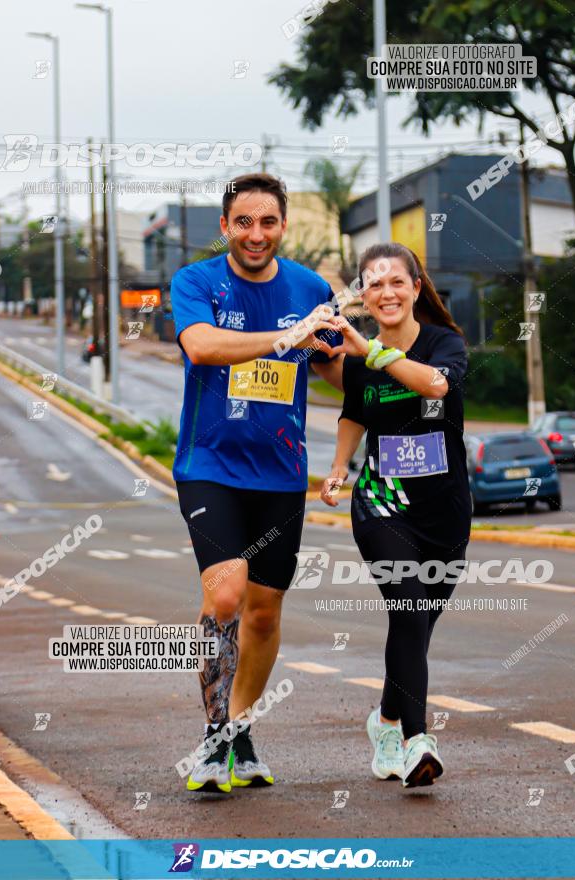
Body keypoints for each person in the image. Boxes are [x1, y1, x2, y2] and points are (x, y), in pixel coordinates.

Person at [171, 173, 343, 793]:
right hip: (210, 467)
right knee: (225, 598)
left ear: (283, 227)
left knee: (265, 615)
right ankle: (214, 743)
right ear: (225, 227)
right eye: (243, 222)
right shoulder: (195, 282)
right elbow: (202, 346)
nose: (255, 234)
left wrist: (357, 348)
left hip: (281, 475)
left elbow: (334, 375)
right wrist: (283, 337)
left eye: (267, 222)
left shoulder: (311, 286)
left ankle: (240, 728)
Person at [321, 242, 471, 789]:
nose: (385, 292)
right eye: (373, 283)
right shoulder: (360, 361)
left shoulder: (444, 344)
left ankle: (383, 722)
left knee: (417, 628)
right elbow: (353, 414)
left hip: (446, 512)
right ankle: (417, 741)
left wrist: (374, 352)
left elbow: (434, 384)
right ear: (364, 293)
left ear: (414, 287)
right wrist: (338, 467)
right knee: (408, 611)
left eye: (395, 282)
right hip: (383, 505)